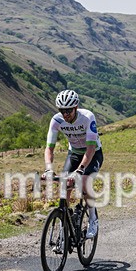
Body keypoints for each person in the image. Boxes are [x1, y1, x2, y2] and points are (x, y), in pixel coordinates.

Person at [42, 90, 103, 237]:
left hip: (93, 154)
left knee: (84, 182)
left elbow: (91, 148)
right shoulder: (56, 120)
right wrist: (49, 169)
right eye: (62, 110)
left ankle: (93, 220)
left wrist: (80, 170)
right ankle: (65, 222)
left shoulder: (87, 117)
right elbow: (49, 148)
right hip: (74, 153)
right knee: (65, 184)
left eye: (68, 110)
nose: (65, 114)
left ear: (76, 107)